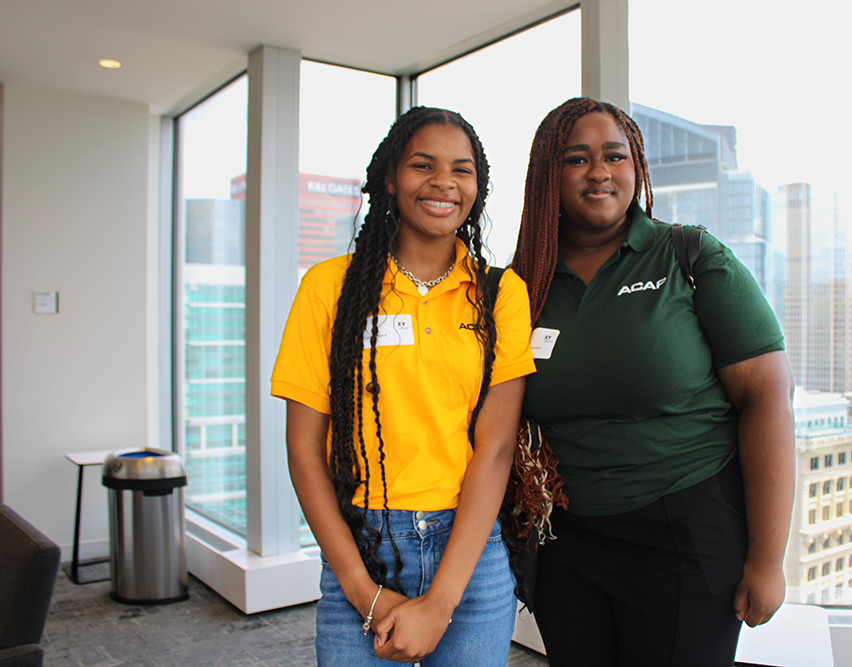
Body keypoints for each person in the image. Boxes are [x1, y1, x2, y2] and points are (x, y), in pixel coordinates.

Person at [511, 97, 795, 666]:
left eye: (615, 156)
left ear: (636, 168)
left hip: (683, 531)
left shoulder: (688, 256)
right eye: (577, 158)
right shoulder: (521, 285)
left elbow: (767, 402)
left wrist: (768, 559)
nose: (600, 171)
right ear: (548, 174)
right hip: (566, 545)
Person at [271, 106, 535, 666]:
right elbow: (303, 450)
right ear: (390, 178)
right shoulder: (329, 288)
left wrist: (441, 601)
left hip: (468, 548)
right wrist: (363, 593)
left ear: (478, 188)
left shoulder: (499, 294)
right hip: (360, 544)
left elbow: (496, 448)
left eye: (462, 170)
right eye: (423, 165)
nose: (444, 182)